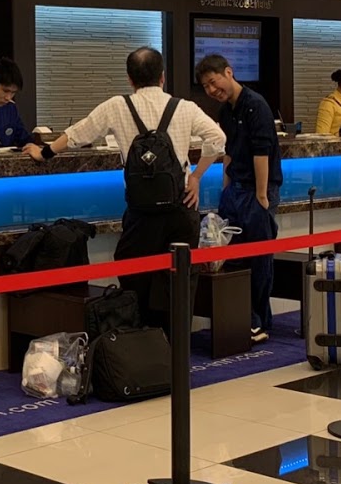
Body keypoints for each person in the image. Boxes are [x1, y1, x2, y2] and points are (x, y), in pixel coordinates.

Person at [29, 47, 224, 330]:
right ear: (162, 77)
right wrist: (195, 176)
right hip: (181, 207)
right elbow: (217, 138)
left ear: (130, 79)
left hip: (141, 211)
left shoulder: (117, 106)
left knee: (133, 273)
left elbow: (77, 134)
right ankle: (175, 345)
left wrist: (43, 153)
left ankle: (141, 338)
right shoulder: (184, 107)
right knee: (179, 279)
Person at [196, 53, 284, 342]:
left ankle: (260, 321)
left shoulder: (256, 105)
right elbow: (229, 151)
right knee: (234, 258)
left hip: (257, 191)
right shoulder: (226, 111)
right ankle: (244, 317)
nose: (212, 90)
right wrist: (226, 185)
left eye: (214, 82)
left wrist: (261, 195)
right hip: (234, 191)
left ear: (229, 72)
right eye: (206, 87)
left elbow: (262, 153)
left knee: (259, 260)